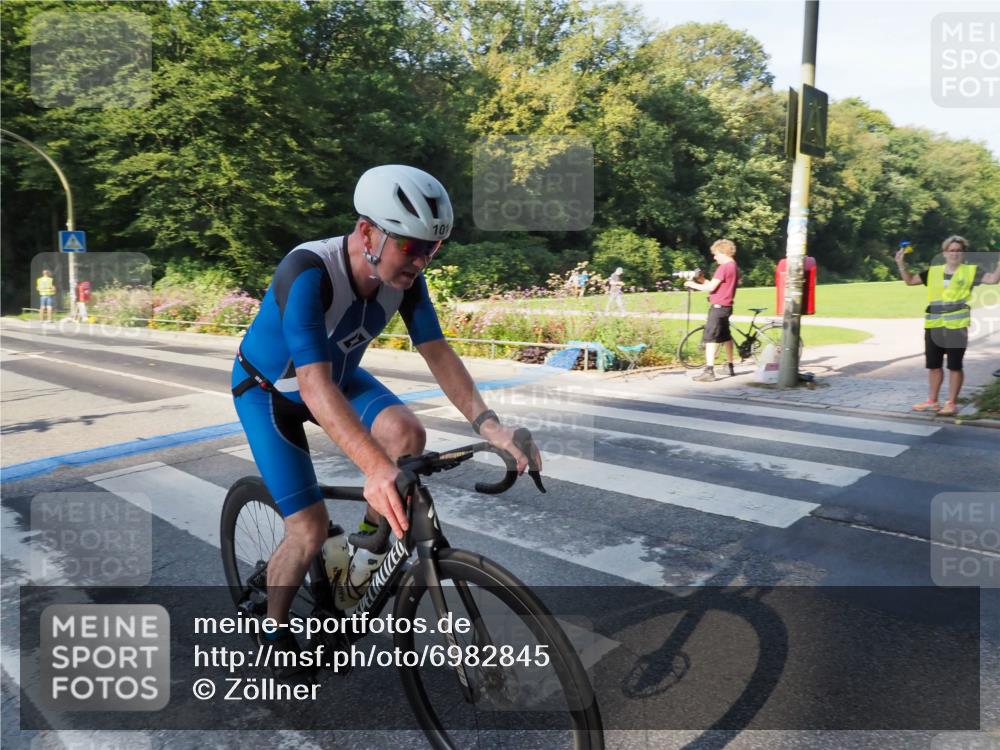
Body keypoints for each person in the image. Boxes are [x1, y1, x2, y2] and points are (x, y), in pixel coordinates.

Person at [231, 164, 540, 683]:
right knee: (305, 529)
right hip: (270, 393)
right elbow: (312, 386)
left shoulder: (404, 279)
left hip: (341, 378)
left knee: (407, 434)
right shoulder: (308, 271)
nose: (420, 261)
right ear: (368, 231)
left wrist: (492, 428)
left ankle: (366, 552)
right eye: (410, 246)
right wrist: (375, 470)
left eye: (431, 249)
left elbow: (439, 354)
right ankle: (272, 631)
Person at [896, 235, 1000, 416]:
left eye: (958, 250)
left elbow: (992, 279)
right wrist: (900, 263)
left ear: (963, 253)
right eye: (951, 250)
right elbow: (910, 281)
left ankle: (951, 403)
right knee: (934, 366)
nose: (955, 253)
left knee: (954, 366)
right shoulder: (933, 272)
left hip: (956, 326)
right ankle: (932, 401)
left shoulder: (971, 271)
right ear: (945, 253)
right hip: (934, 325)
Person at [684, 239, 740, 382]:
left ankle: (709, 371)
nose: (714, 257)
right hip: (726, 307)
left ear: (723, 252)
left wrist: (691, 284)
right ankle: (729, 365)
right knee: (726, 336)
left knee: (710, 338)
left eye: (715, 254)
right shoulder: (733, 266)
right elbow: (716, 285)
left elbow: (711, 288)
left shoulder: (723, 267)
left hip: (717, 308)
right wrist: (702, 280)